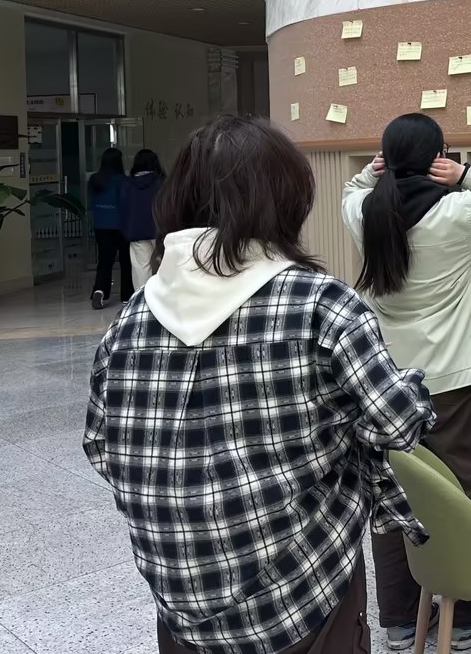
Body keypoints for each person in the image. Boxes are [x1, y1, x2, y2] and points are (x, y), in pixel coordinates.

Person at [83, 115, 434, 654]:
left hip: (179, 611)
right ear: (286, 201)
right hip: (304, 597)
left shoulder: (129, 320)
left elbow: (100, 447)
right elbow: (398, 422)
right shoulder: (321, 305)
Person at [343, 112, 471, 652]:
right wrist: (465, 172)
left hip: (385, 381)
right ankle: (470, 615)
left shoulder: (365, 212)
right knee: (463, 491)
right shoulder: (458, 213)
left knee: (391, 492)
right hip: (454, 376)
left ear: (386, 159)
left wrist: (373, 171)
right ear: (437, 158)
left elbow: (351, 189)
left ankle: (401, 620)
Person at [88, 147, 131, 310]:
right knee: (125, 261)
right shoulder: (124, 181)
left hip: (101, 226)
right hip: (121, 225)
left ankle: (99, 290)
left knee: (105, 261)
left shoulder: (94, 180)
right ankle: (127, 295)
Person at [119, 149, 165, 291]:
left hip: (137, 231)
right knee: (165, 264)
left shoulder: (128, 184)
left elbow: (123, 208)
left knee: (141, 267)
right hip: (160, 230)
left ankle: (142, 297)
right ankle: (164, 296)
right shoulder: (162, 182)